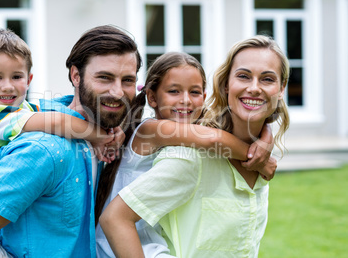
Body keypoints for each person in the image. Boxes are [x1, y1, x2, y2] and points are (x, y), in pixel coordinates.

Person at [0, 25, 141, 257]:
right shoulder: (43, 150)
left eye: (128, 80)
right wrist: (104, 136)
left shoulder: (45, 116)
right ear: (75, 76)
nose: (118, 91)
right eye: (104, 78)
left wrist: (112, 129)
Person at [100, 35, 289, 257]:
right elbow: (213, 139)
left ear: (281, 88)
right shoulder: (155, 132)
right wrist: (259, 157)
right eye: (173, 91)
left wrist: (265, 137)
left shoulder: (194, 130)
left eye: (267, 79)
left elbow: (214, 133)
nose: (186, 101)